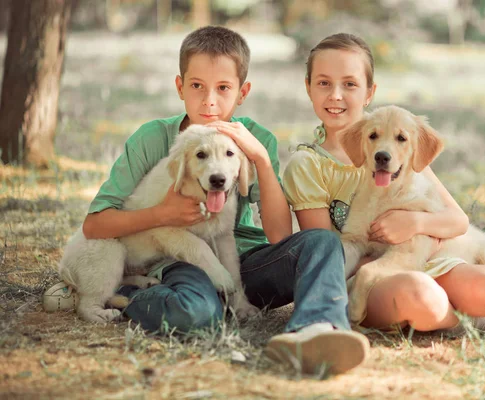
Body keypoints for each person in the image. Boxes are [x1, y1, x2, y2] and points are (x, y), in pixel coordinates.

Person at [66, 26, 369, 374]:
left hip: (247, 263)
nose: (210, 100)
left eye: (223, 88)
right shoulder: (154, 139)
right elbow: (95, 224)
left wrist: (262, 163)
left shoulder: (257, 139)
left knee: (321, 243)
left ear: (242, 92)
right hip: (180, 264)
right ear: (180, 87)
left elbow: (280, 238)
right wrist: (162, 213)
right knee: (196, 313)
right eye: (197, 86)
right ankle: (126, 295)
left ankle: (317, 329)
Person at [282, 33, 485, 338]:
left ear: (369, 92)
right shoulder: (309, 164)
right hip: (376, 280)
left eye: (350, 84)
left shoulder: (407, 159)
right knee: (424, 297)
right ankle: (475, 319)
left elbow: (458, 221)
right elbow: (328, 254)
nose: (336, 95)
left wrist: (416, 223)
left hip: (439, 262)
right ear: (308, 87)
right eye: (324, 83)